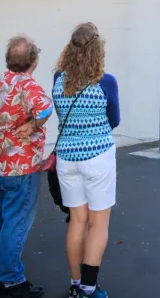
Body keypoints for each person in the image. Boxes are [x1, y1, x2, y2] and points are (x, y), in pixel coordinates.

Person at [0, 35, 53, 298]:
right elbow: (45, 110)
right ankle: (11, 281)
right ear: (33, 60)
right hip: (22, 167)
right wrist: (32, 125)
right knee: (16, 221)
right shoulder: (28, 85)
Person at [51, 23, 120, 298]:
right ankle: (90, 288)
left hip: (66, 158)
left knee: (77, 221)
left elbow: (58, 112)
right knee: (98, 223)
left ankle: (75, 283)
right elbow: (114, 119)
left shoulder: (58, 78)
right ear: (97, 50)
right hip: (98, 157)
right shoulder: (106, 81)